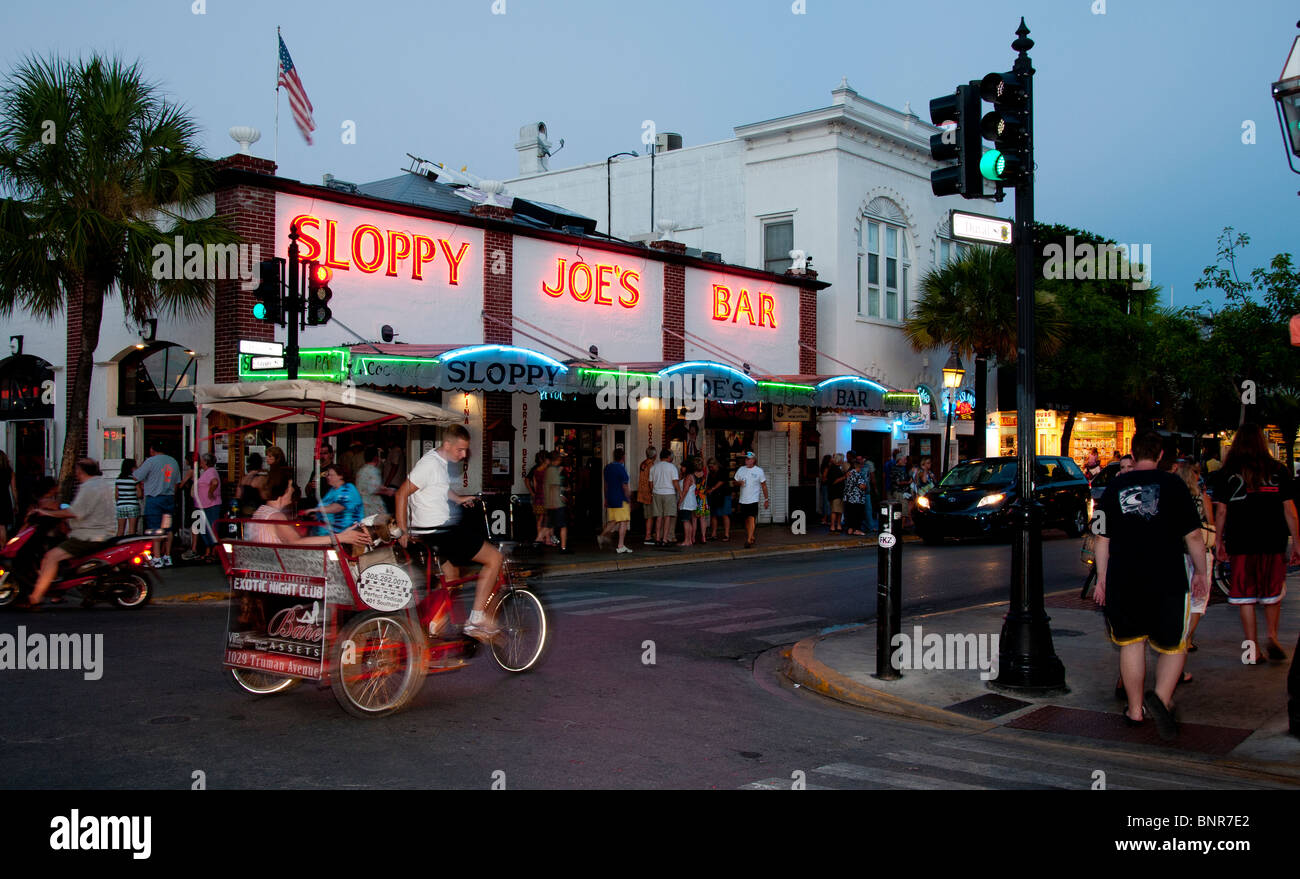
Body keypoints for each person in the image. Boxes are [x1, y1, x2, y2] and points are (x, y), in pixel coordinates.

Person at [1093, 430, 1207, 740]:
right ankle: (1162, 696)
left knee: (1131, 642)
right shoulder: (1174, 485)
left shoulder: (1113, 486)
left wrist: (1101, 579)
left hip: (1124, 578)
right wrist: (1201, 572)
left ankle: (1134, 710)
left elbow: (1101, 538)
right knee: (1174, 644)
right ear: (1159, 456)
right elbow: (1194, 535)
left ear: (1133, 452)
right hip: (1167, 577)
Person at [394, 425, 505, 642]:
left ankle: (432, 624)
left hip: (434, 532)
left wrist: (458, 499)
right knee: (494, 558)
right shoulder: (428, 465)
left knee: (452, 576)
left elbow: (439, 488)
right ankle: (476, 619)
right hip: (438, 532)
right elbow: (401, 494)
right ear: (447, 445)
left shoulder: (439, 462)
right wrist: (402, 531)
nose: (463, 455)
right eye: (460, 450)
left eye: (465, 450)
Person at [1209, 423, 1299, 665]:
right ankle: (1271, 635)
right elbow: (1289, 510)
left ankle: (1252, 648)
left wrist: (1219, 541)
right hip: (1273, 540)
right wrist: (1297, 543)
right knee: (1272, 593)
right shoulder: (1278, 470)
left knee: (1245, 597)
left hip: (1241, 541)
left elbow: (1221, 512)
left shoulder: (1227, 473)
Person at [26, 459, 118, 607]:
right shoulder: (102, 484)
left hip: (89, 535)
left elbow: (75, 512)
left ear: (81, 471)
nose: (76, 474)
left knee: (51, 557)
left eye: (76, 470)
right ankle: (54, 590)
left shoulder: (89, 487)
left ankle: (36, 597)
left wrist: (47, 513)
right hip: (100, 532)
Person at [245, 468, 368, 549]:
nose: (293, 489)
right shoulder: (276, 517)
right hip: (275, 569)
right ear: (284, 490)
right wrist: (341, 537)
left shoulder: (261, 511)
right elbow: (295, 542)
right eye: (291, 485)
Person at [134, 441, 180, 567]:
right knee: (168, 528)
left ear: (153, 449)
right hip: (169, 498)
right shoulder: (173, 462)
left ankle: (157, 557)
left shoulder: (151, 461)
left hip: (154, 499)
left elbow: (136, 476)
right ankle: (167, 556)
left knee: (155, 528)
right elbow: (177, 483)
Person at [304, 464, 365, 534]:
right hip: (328, 533)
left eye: (331, 475)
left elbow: (338, 507)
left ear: (340, 476)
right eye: (327, 475)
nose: (328, 477)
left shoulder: (348, 489)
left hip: (345, 533)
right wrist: (317, 515)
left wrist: (316, 509)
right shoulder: (332, 490)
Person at [597, 448, 633, 554]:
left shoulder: (607, 467)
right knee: (624, 521)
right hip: (621, 498)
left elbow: (606, 485)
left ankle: (602, 536)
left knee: (613, 520)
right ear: (623, 457)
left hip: (611, 498)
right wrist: (629, 499)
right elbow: (625, 485)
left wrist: (606, 498)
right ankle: (620, 545)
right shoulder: (621, 468)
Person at [189, 453, 222, 563]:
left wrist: (210, 492)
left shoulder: (210, 471)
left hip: (210, 505)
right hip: (202, 505)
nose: (200, 462)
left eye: (202, 460)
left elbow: (214, 482)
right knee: (203, 528)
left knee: (211, 528)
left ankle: (213, 552)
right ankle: (208, 551)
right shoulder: (205, 472)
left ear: (206, 462)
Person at [733, 451, 769, 549]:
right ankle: (751, 535)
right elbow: (734, 482)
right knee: (746, 520)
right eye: (746, 459)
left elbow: (764, 486)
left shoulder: (759, 471)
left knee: (751, 518)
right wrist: (739, 483)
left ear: (753, 460)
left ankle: (748, 540)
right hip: (743, 499)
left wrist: (766, 499)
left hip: (753, 499)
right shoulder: (741, 469)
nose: (746, 460)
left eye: (748, 459)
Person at [650, 448, 680, 547]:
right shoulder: (672, 467)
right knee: (667, 517)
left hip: (656, 493)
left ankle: (658, 538)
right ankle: (665, 539)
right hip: (669, 493)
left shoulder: (654, 467)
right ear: (668, 457)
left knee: (658, 517)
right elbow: (675, 482)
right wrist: (680, 492)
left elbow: (651, 483)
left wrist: (653, 491)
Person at [543, 448, 571, 553]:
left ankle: (536, 543)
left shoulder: (548, 470)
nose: (561, 461)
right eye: (559, 459)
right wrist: (560, 496)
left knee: (548, 526)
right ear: (556, 459)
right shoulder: (553, 470)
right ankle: (563, 548)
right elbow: (554, 487)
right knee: (563, 525)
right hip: (556, 503)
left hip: (550, 503)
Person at [527, 451, 553, 547]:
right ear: (546, 460)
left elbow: (535, 484)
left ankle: (541, 538)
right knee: (547, 519)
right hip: (546, 497)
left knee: (539, 519)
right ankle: (547, 539)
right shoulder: (547, 471)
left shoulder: (536, 470)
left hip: (538, 497)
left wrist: (534, 493)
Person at [354, 445, 388, 518]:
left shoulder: (361, 470)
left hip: (362, 506)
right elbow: (374, 489)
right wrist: (388, 491)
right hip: (372, 507)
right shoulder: (373, 470)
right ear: (376, 457)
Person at [114, 457, 143, 537]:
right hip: (132, 506)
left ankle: (118, 547)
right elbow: (140, 494)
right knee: (132, 531)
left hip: (121, 506)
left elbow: (116, 496)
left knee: (120, 530)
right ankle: (131, 548)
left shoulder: (118, 480)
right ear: (132, 468)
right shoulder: (134, 479)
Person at [707, 458, 731, 541]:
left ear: (716, 465)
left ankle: (726, 535)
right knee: (713, 515)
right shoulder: (710, 473)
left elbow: (721, 481)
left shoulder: (723, 471)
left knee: (725, 514)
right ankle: (713, 534)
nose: (710, 468)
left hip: (724, 495)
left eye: (711, 467)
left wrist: (712, 489)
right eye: (709, 467)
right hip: (714, 496)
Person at [237, 452, 267, 518]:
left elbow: (238, 495)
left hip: (244, 509)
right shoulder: (261, 479)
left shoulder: (243, 479)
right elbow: (264, 496)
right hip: (257, 509)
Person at [638, 446, 657, 544]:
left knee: (647, 516)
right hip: (649, 494)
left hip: (642, 493)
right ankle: (648, 536)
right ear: (654, 455)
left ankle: (648, 534)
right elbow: (651, 481)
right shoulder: (651, 465)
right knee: (650, 516)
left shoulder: (643, 464)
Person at [678, 458, 699, 546]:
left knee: (685, 521)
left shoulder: (688, 477)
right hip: (691, 501)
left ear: (686, 467)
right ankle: (689, 540)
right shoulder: (691, 476)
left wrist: (680, 502)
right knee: (688, 521)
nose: (681, 468)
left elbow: (685, 490)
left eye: (683, 466)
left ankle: (687, 540)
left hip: (686, 502)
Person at [692, 460, 710, 545]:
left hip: (694, 497)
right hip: (703, 498)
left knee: (694, 519)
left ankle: (693, 537)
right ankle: (703, 537)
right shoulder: (705, 474)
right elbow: (705, 466)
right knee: (703, 519)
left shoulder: (692, 475)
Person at [0, 450, 13, 546]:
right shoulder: (9, 471)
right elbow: (14, 489)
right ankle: (3, 546)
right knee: (2, 526)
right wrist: (16, 503)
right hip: (5, 499)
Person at [818, 454, 833, 526]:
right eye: (831, 458)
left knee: (825, 502)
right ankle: (825, 519)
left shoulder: (823, 466)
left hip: (824, 486)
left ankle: (824, 518)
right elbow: (824, 478)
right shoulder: (827, 467)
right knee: (827, 503)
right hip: (826, 486)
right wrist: (830, 479)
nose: (832, 459)